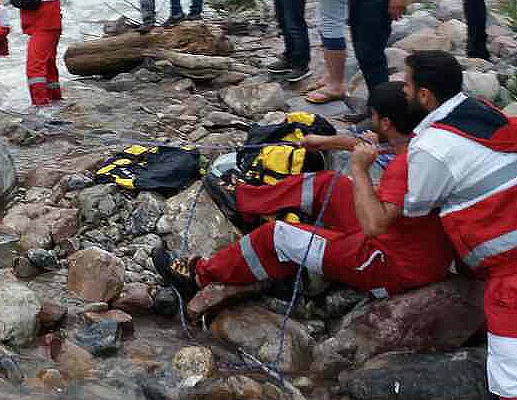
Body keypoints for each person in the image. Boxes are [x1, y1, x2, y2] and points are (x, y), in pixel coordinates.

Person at [152, 81, 455, 301]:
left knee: (277, 236)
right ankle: (244, 199)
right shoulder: (418, 140)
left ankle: (200, 275)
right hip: (402, 242)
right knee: (328, 182)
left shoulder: (404, 165)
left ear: (386, 122)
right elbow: (367, 144)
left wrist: (360, 169)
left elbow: (373, 224)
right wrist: (321, 142)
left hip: (389, 264)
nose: (370, 121)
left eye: (373, 116)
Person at [401, 50, 517, 400]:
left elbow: (416, 208)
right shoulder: (482, 112)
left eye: (407, 84)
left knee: (515, 386)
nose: (403, 91)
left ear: (425, 95)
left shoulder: (432, 146)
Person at [9, 0, 62, 105]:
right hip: (51, 23)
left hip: (43, 25)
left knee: (35, 67)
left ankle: (41, 107)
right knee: (49, 64)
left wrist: (15, 0)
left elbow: (33, 1)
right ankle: (55, 101)